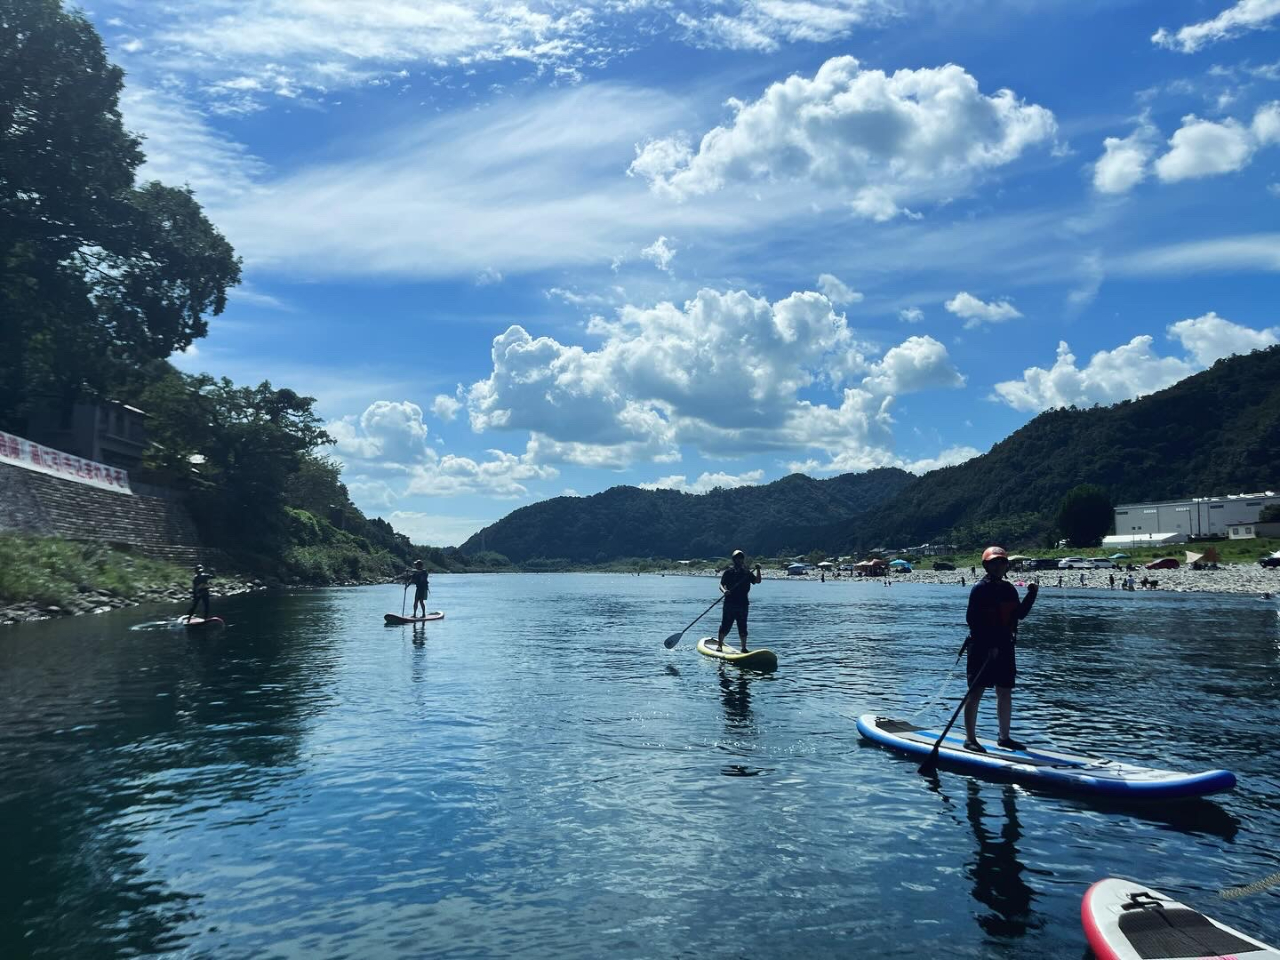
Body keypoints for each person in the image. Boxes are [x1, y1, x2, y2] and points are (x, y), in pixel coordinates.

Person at [962, 546, 1038, 752]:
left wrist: (1032, 595)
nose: (999, 566)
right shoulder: (980, 589)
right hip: (981, 647)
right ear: (987, 565)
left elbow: (1019, 615)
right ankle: (970, 739)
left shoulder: (1008, 589)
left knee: (1004, 691)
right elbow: (972, 620)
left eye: (1002, 562)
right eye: (994, 562)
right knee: (975, 692)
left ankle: (1004, 737)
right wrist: (989, 645)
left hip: (1004, 646)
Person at [715, 549, 762, 653]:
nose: (739, 560)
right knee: (725, 625)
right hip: (729, 603)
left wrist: (758, 570)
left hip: (743, 604)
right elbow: (721, 585)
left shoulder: (747, 572)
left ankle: (744, 648)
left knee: (743, 626)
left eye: (741, 559)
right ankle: (719, 645)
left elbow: (757, 581)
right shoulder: (728, 572)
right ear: (734, 560)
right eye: (737, 559)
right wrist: (725, 591)